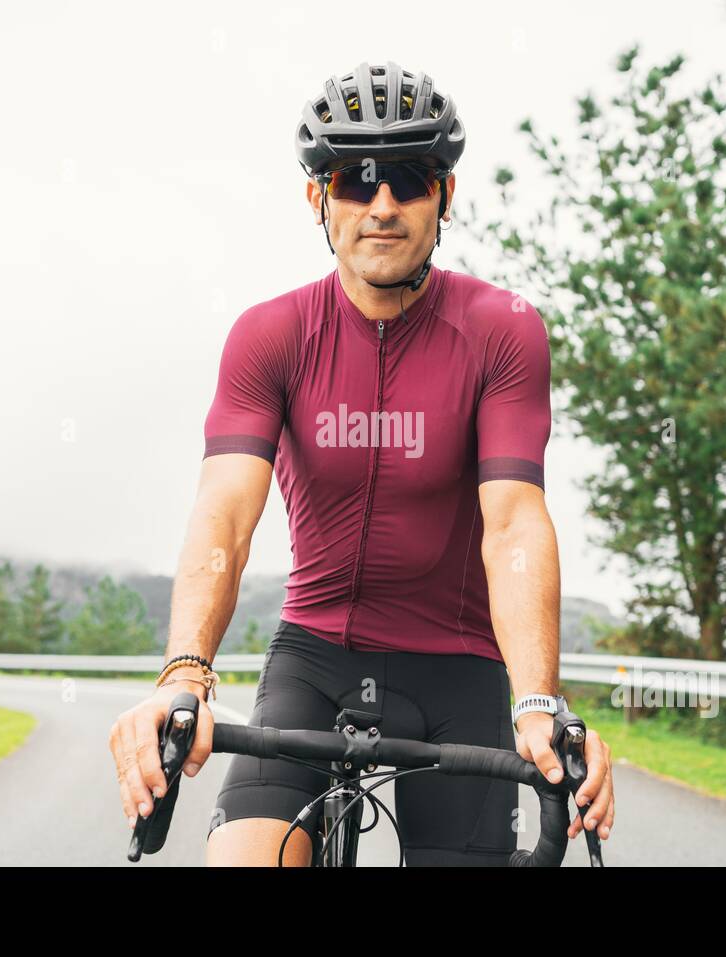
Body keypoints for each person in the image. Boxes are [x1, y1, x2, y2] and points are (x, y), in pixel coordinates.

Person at [110, 61, 614, 865]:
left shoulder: (504, 331)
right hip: (315, 657)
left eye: (409, 179)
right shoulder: (270, 335)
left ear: (444, 196)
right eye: (356, 181)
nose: (382, 205)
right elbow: (225, 516)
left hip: (459, 668)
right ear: (319, 198)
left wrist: (539, 701)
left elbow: (514, 521)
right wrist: (184, 674)